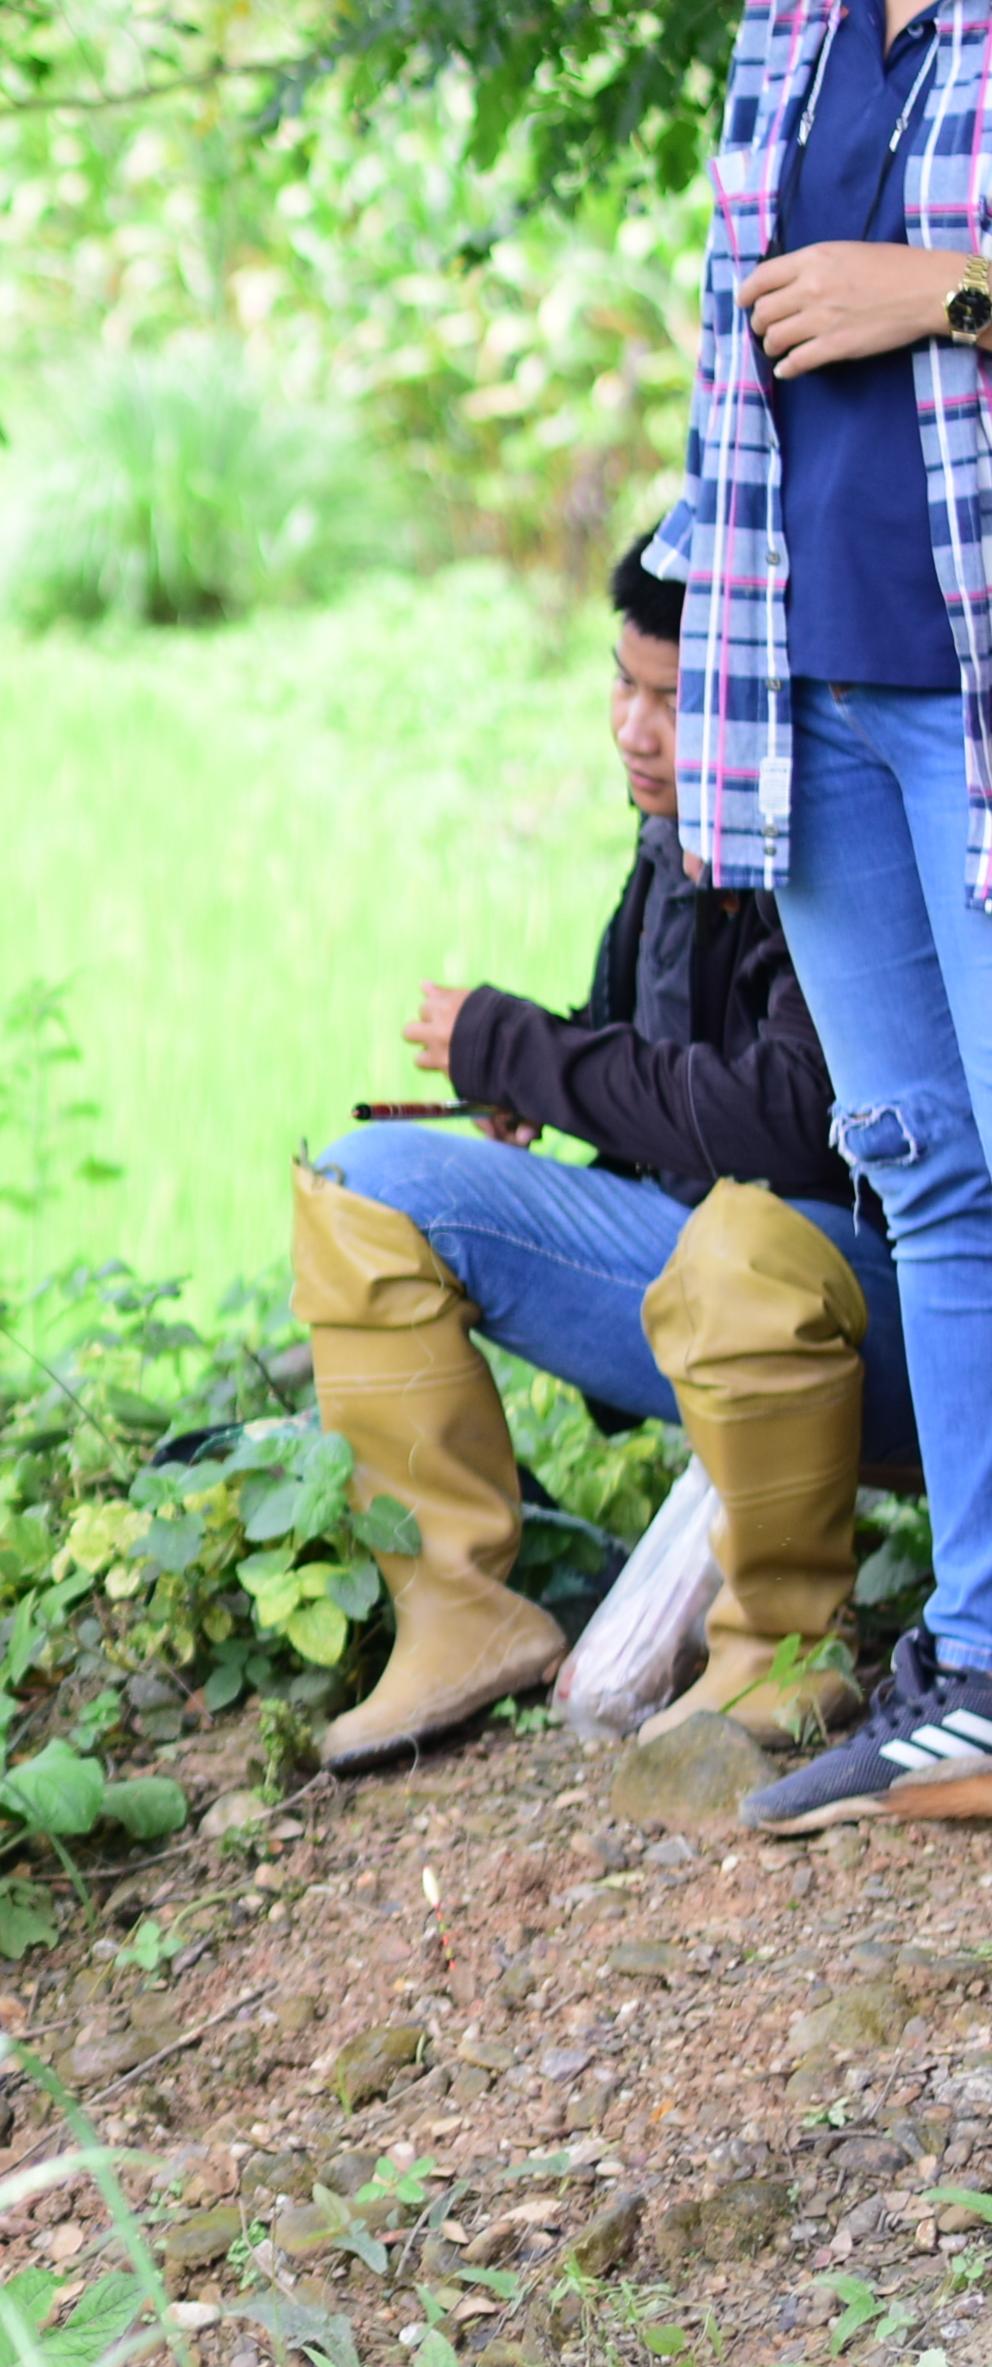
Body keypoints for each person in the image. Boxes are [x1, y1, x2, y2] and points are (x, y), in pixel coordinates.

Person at [299, 538, 909, 1777]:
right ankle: (457, 1617)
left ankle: (783, 1649)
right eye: (621, 685)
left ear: (758, 700)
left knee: (745, 1238)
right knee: (365, 1190)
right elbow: (655, 1051)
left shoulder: (843, 833)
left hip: (890, 1323)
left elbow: (797, 1113)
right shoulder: (674, 840)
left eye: (672, 699)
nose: (633, 729)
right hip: (719, 1302)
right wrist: (533, 1070)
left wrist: (525, 1053)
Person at [656, 0, 992, 1827]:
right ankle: (981, 1666)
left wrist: (947, 293)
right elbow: (727, 358)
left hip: (976, 687)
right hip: (817, 684)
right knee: (929, 1173)